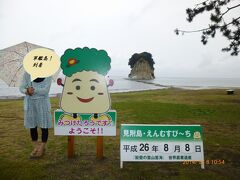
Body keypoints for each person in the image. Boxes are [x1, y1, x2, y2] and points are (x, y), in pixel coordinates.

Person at [19, 72, 52, 158]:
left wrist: (33, 90)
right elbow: (21, 87)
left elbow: (45, 90)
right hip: (30, 103)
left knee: (44, 126)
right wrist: (26, 91)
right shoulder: (27, 74)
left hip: (42, 103)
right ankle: (36, 147)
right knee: (32, 126)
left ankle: (42, 147)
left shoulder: (48, 74)